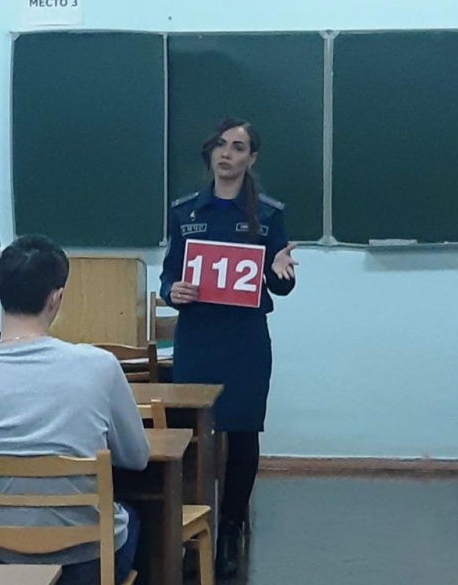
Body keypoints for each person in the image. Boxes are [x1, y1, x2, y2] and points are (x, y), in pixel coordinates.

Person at [0, 233, 150, 585]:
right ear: (56, 298)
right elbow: (137, 457)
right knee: (136, 516)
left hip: (6, 562)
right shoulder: (100, 367)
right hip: (88, 562)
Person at [160, 117, 297, 577]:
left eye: (238, 147)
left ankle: (230, 530)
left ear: (250, 158)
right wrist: (171, 291)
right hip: (198, 338)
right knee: (190, 435)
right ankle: (186, 526)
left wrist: (280, 272)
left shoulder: (268, 215)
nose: (227, 153)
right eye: (220, 144)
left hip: (244, 340)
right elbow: (169, 275)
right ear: (210, 152)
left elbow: (281, 285)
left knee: (241, 433)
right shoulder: (184, 212)